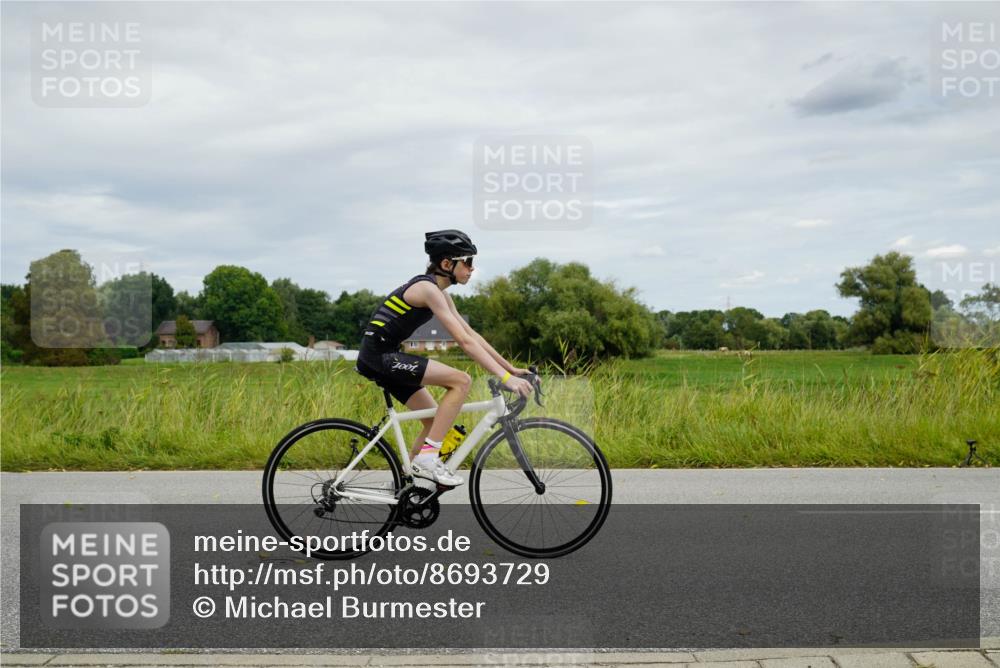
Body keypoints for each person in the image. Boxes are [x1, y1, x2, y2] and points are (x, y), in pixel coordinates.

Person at [355, 230, 534, 487]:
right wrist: (504, 378)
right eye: (468, 262)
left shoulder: (441, 294)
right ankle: (428, 459)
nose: (472, 269)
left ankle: (406, 488)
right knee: (461, 381)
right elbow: (463, 342)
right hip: (380, 357)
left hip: (386, 356)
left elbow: (471, 334)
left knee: (433, 420)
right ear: (447, 264)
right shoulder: (427, 289)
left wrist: (510, 369)